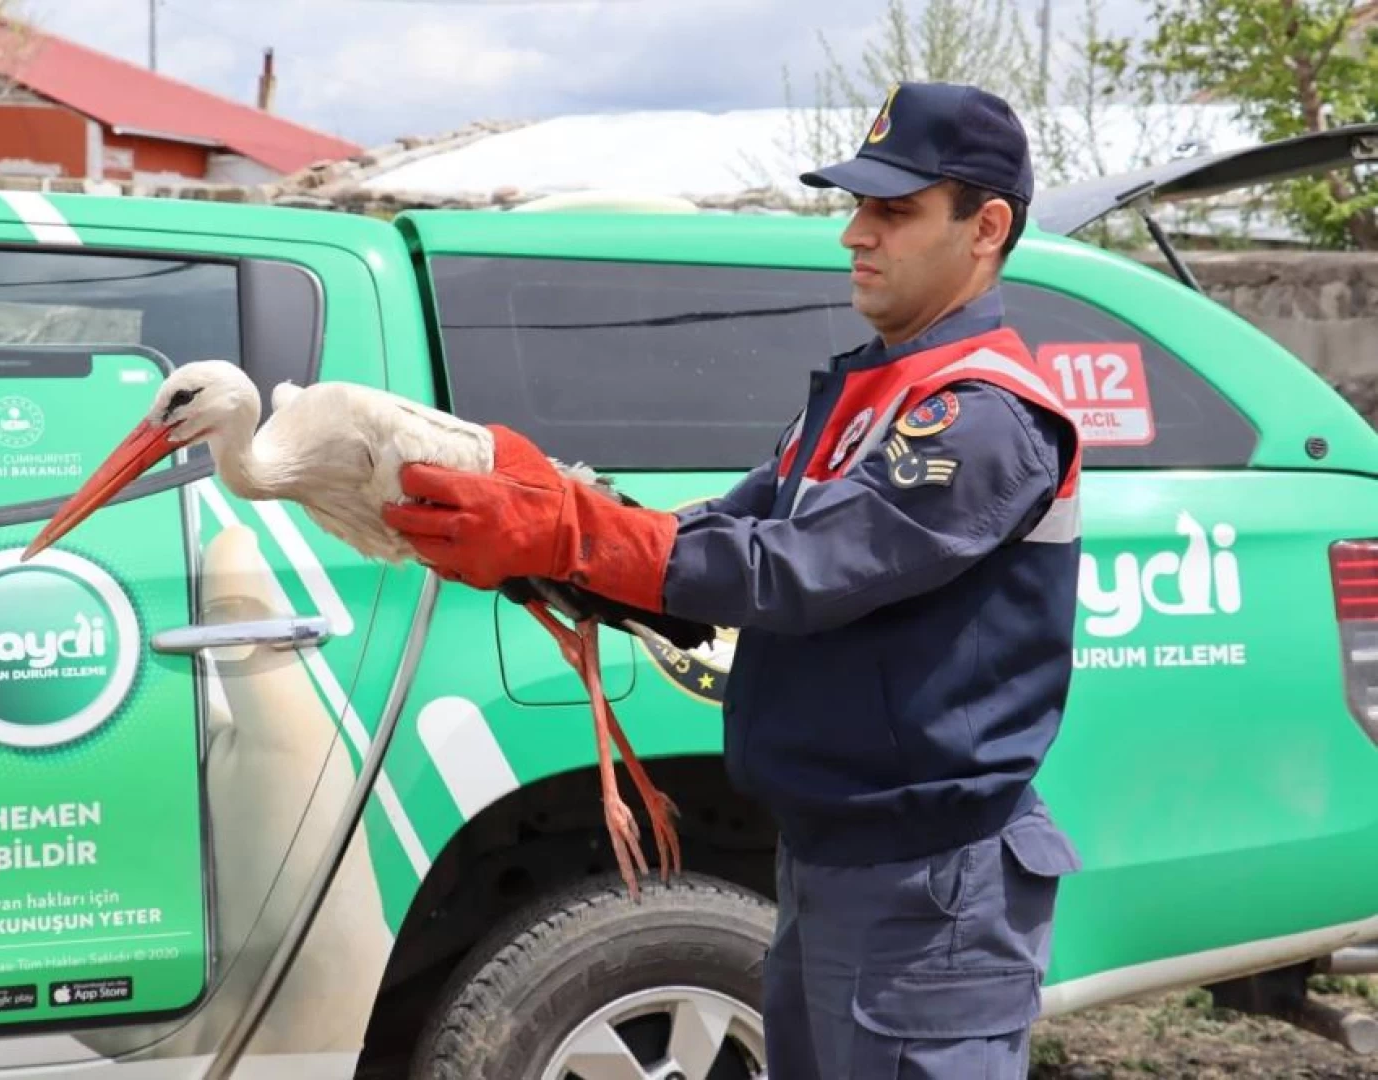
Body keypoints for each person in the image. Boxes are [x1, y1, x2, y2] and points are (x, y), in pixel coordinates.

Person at [383, 79, 1085, 1079]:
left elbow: (797, 570)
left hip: (928, 882)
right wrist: (552, 544)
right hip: (834, 854)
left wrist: (571, 536)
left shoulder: (978, 415)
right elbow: (717, 533)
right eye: (855, 206)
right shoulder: (865, 394)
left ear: (986, 228)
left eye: (891, 211)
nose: (853, 234)